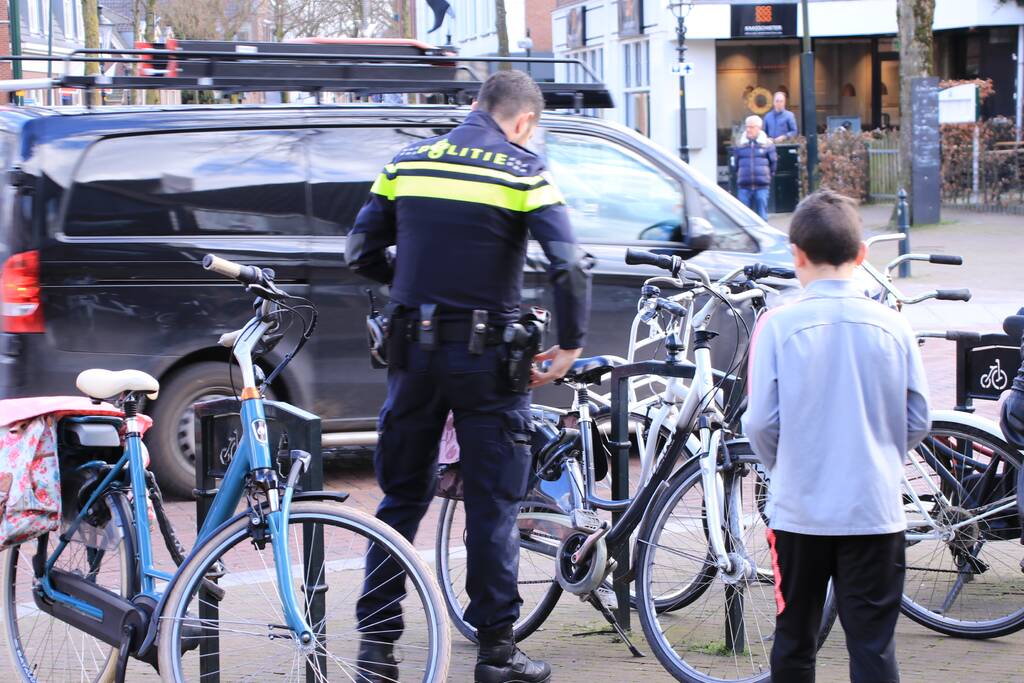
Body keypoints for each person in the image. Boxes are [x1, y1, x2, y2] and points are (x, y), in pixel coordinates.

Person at [346, 70, 592, 683]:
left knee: (401, 498)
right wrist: (568, 345)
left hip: (412, 354)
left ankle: (376, 648)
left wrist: (412, 278)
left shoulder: (406, 163)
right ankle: (497, 654)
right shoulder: (522, 171)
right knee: (492, 506)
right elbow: (568, 264)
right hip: (488, 363)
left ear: (476, 105)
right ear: (524, 121)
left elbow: (359, 252)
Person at [743, 190, 931, 683]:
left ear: (796, 255)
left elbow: (760, 422)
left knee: (794, 640)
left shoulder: (777, 325)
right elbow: (918, 417)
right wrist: (880, 455)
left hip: (800, 512)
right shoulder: (895, 325)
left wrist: (787, 466)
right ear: (862, 254)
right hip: (874, 510)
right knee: (873, 646)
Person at [734, 114, 777, 221]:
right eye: (747, 127)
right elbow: (736, 164)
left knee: (762, 216)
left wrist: (767, 178)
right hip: (744, 186)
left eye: (751, 127)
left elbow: (773, 163)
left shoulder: (767, 145)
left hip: (761, 186)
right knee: (743, 217)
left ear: (759, 128)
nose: (748, 129)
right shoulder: (740, 145)